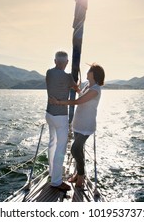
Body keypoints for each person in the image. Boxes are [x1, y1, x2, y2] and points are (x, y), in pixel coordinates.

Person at [49, 63, 105, 188]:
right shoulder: (87, 86)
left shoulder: (95, 90)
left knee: (75, 149)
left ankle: (80, 177)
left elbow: (78, 101)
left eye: (90, 70)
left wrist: (58, 102)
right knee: (79, 150)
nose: (88, 71)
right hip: (78, 124)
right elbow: (80, 94)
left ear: (94, 74)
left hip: (86, 126)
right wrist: (76, 88)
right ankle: (79, 175)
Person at [45, 51, 79, 191]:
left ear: (54, 61)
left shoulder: (49, 73)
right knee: (60, 148)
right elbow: (77, 88)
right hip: (60, 116)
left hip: (49, 114)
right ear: (66, 62)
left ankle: (52, 173)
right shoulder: (67, 77)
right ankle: (57, 182)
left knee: (52, 143)